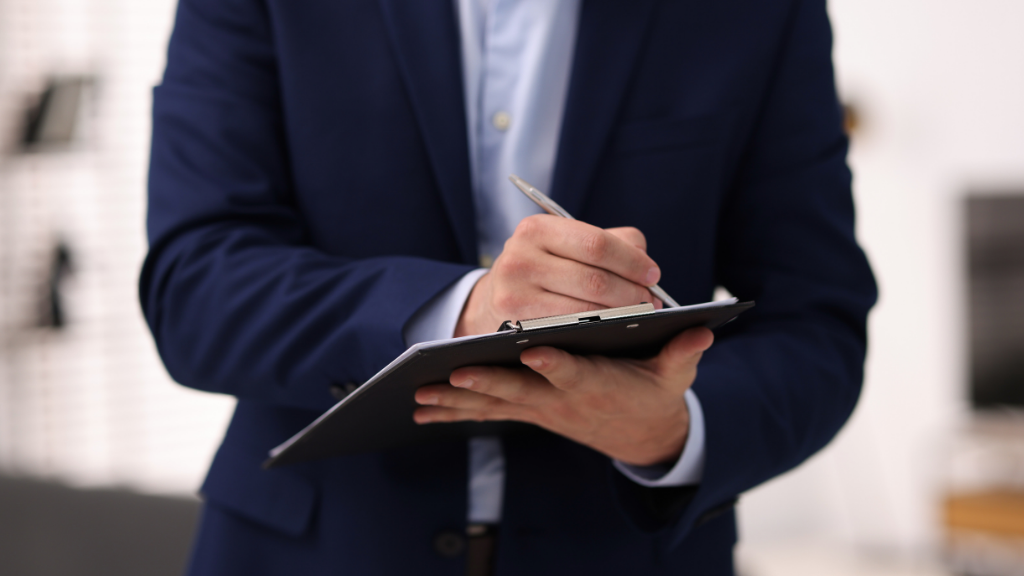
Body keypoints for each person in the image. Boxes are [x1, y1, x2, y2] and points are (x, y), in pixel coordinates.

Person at [140, 0, 877, 574]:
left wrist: (672, 429)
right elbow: (195, 285)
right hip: (314, 553)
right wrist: (465, 312)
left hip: (628, 557)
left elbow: (817, 323)